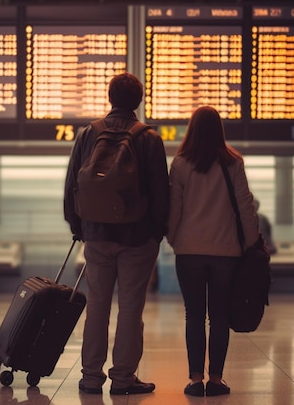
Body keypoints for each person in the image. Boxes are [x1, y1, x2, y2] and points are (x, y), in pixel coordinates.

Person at [64, 72, 169, 395]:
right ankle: (123, 378)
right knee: (130, 308)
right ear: (138, 101)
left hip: (96, 234)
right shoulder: (147, 138)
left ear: (110, 98)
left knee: (97, 305)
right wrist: (158, 233)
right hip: (137, 238)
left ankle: (91, 377)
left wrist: (78, 226)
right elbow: (160, 192)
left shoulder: (88, 133)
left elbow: (72, 184)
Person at [166, 106, 259, 397]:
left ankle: (195, 380)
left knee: (193, 315)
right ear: (219, 130)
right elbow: (245, 204)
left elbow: (174, 210)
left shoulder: (180, 164)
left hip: (189, 251)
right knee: (219, 316)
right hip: (226, 252)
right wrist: (249, 242)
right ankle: (216, 380)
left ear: (191, 129)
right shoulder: (233, 163)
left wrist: (173, 239)